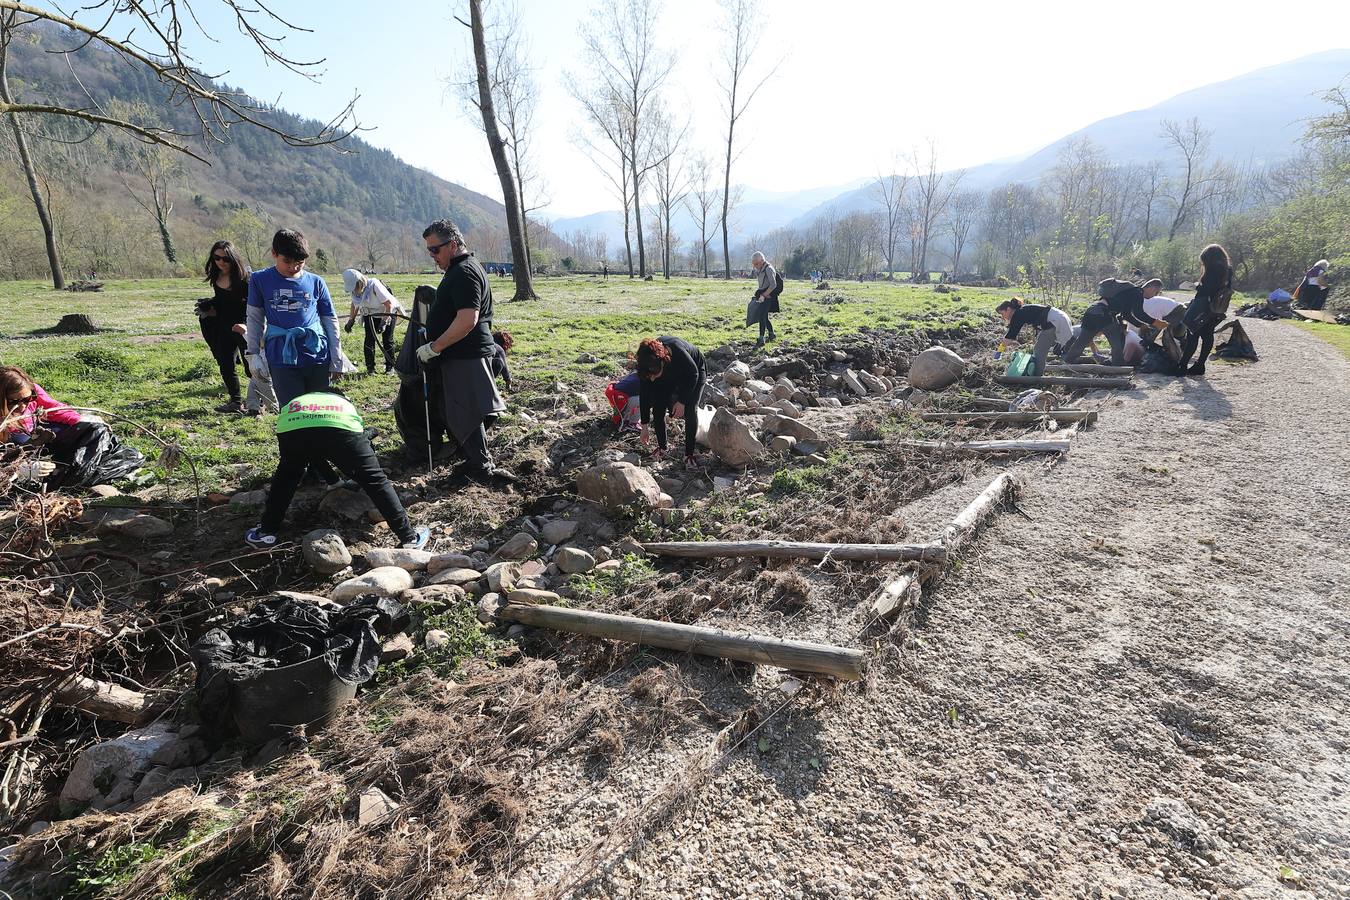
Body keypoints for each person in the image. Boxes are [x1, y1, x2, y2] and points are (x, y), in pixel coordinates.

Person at [244, 390, 429, 551]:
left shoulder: (302, 400)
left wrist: (334, 482)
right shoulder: (343, 404)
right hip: (340, 426)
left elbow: (315, 447)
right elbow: (351, 439)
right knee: (375, 480)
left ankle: (266, 533)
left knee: (287, 478)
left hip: (292, 426)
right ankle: (409, 538)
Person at [414, 219, 510, 486]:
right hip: (466, 353)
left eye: (435, 250)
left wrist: (434, 347)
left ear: (453, 244)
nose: (432, 256)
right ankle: (475, 460)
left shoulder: (464, 271)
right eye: (429, 251)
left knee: (463, 412)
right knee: (463, 411)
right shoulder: (463, 269)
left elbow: (468, 319)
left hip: (464, 355)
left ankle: (480, 466)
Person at [0, 366, 144, 489]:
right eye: (14, 401)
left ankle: (67, 474)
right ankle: (67, 478)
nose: (23, 406)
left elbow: (54, 408)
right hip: (14, 445)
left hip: (37, 435)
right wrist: (21, 468)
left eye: (27, 399)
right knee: (18, 442)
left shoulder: (33, 391)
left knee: (93, 430)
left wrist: (81, 420)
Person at [245, 229, 343, 406]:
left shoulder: (316, 282)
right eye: (287, 261)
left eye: (299, 262)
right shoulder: (259, 280)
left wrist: (336, 357)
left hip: (316, 354)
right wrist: (253, 354)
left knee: (319, 410)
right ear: (274, 254)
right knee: (292, 411)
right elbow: (254, 319)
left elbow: (330, 320)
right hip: (281, 357)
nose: (293, 267)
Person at [198, 241, 252, 414]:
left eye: (225, 259)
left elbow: (253, 305)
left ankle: (258, 402)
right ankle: (236, 402)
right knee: (225, 364)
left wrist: (246, 324)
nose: (221, 262)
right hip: (223, 325)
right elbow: (222, 301)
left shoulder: (245, 279)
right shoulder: (216, 277)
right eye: (216, 258)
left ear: (234, 259)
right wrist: (209, 306)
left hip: (244, 326)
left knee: (251, 365)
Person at [635, 336, 705, 468]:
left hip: (694, 370)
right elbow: (644, 396)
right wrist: (644, 426)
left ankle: (689, 453)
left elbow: (693, 375)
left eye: (654, 375)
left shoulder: (677, 350)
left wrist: (682, 401)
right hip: (668, 372)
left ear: (662, 362)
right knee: (658, 406)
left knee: (690, 409)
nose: (652, 379)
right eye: (649, 377)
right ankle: (663, 447)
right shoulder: (647, 367)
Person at [1178, 244, 1234, 377]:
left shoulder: (1212, 269)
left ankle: (1182, 366)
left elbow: (1207, 290)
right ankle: (1200, 365)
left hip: (1203, 306)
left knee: (1192, 334)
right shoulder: (1228, 270)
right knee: (1207, 335)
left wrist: (1196, 286)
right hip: (1217, 308)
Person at [342, 268, 405, 375]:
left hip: (387, 312)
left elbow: (388, 305)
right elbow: (355, 304)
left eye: (355, 287)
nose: (354, 290)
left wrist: (384, 322)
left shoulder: (374, 286)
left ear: (360, 282)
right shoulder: (355, 291)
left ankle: (390, 368)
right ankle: (370, 368)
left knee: (387, 340)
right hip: (370, 314)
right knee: (369, 340)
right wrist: (351, 321)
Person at [994, 297, 1072, 376]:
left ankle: (1036, 377)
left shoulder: (1017, 314)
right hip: (1058, 318)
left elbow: (1009, 337)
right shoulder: (1021, 311)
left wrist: (999, 352)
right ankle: (1060, 352)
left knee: (1038, 351)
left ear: (1008, 309)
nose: (1003, 317)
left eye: (1002, 314)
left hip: (1054, 321)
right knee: (1042, 342)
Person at [1138, 278, 1188, 366]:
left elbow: (1157, 325)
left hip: (1178, 312)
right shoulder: (1143, 302)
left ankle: (1178, 355)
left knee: (1168, 336)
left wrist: (1147, 342)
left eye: (1158, 293)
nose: (1156, 294)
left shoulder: (1150, 304)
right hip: (1171, 313)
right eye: (1156, 292)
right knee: (1173, 335)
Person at [749, 251, 779, 347]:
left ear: (762, 260)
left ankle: (761, 338)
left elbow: (773, 284)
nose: (755, 266)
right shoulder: (760, 268)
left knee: (762, 316)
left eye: (756, 264)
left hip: (768, 297)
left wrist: (764, 295)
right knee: (764, 317)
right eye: (754, 264)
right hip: (763, 296)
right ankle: (771, 334)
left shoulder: (769, 269)